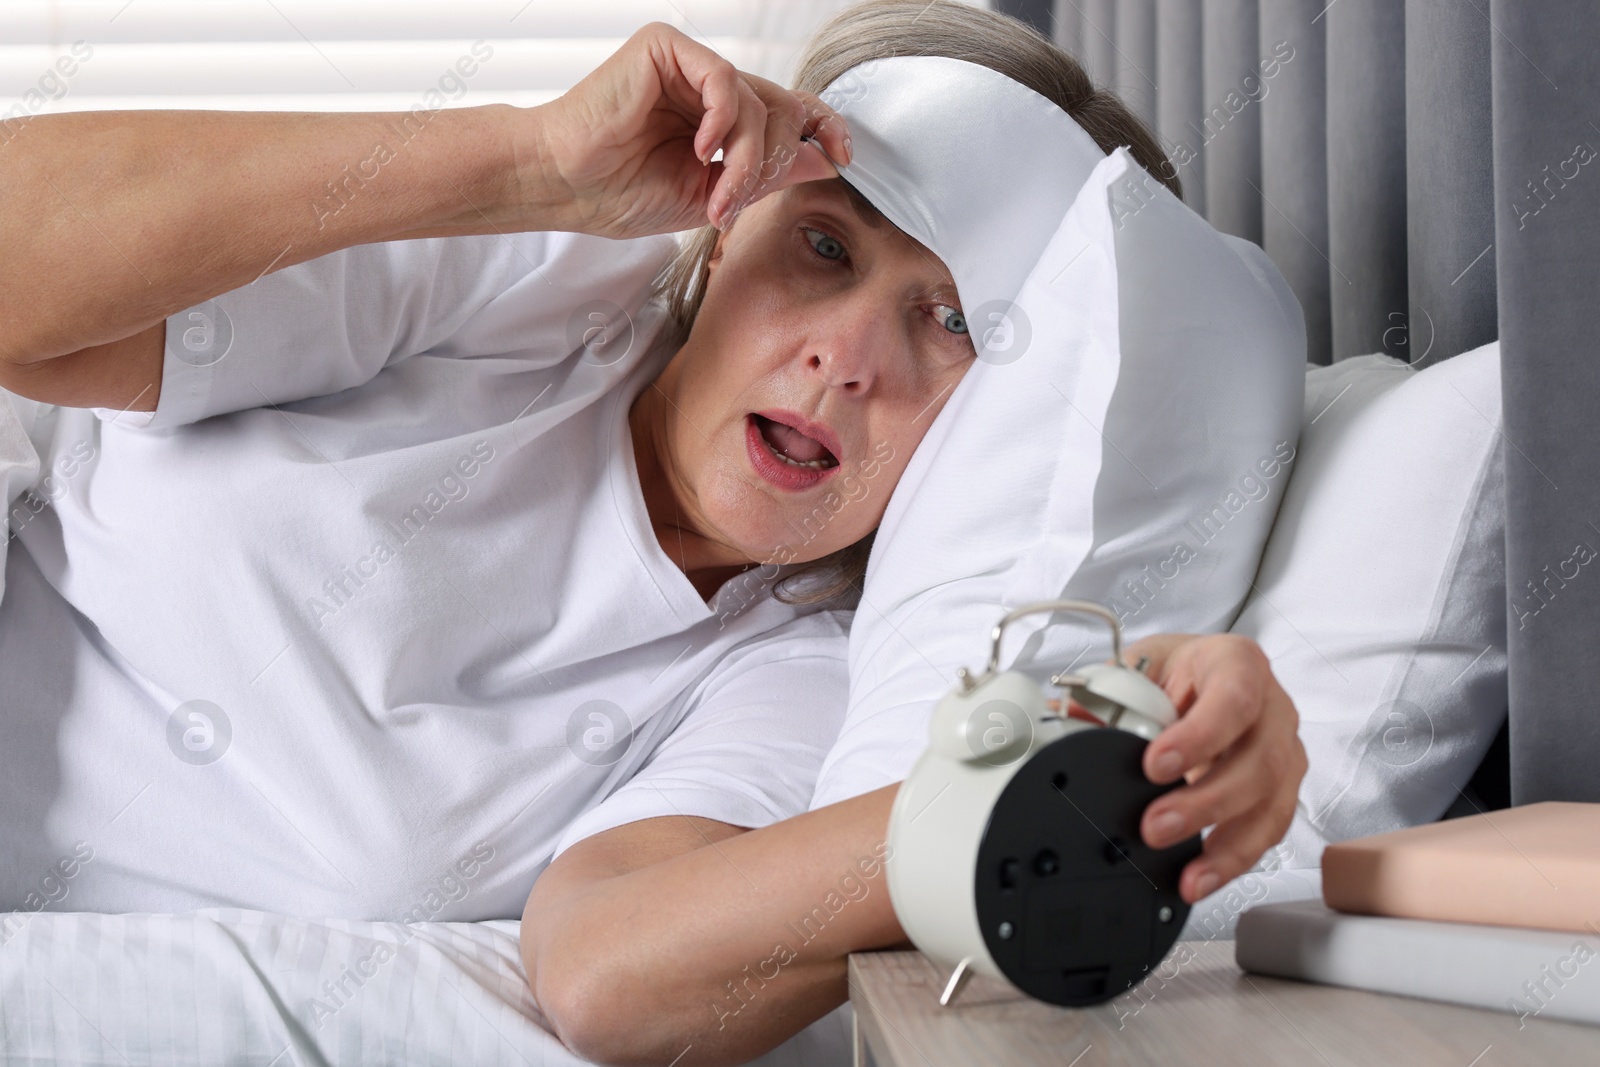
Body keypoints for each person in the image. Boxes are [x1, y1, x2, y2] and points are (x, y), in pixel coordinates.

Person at [0, 2, 1306, 1064]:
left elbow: (608, 970)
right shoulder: (528, 284)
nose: (845, 359)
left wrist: (1092, 758)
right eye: (826, 248)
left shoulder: (792, 675)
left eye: (953, 322)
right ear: (726, 229)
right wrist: (524, 164)